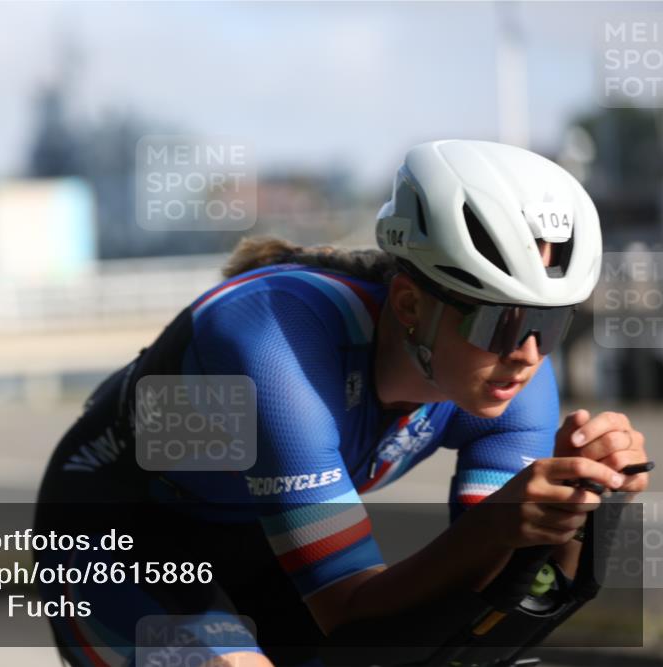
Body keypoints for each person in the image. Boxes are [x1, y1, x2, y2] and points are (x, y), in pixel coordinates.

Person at [34, 140, 650, 667]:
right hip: (122, 533)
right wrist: (499, 523)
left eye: (553, 322)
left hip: (261, 540)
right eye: (502, 322)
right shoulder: (274, 343)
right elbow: (348, 609)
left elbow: (478, 606)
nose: (528, 353)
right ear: (410, 306)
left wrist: (578, 512)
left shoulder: (513, 380)